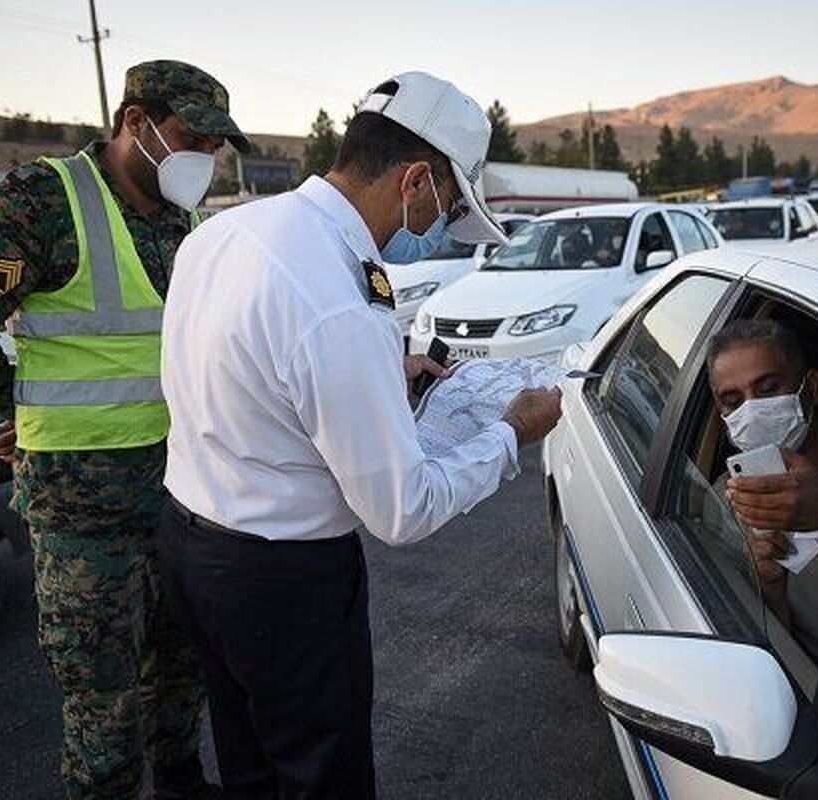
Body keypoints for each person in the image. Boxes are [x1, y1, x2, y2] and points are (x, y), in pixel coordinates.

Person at [156, 70, 562, 798]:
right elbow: (401, 511)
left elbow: (247, 374)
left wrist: (375, 376)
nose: (438, 228)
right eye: (447, 207)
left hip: (194, 545)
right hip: (283, 585)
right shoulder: (339, 299)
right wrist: (510, 432)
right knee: (320, 776)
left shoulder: (230, 230)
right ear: (415, 181)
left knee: (248, 758)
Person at [0, 60, 248, 799]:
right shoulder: (43, 200)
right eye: (192, 136)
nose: (206, 156)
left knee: (183, 664)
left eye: (215, 146)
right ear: (136, 122)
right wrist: (22, 410)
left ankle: (183, 779)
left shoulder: (186, 220)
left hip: (184, 493)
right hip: (83, 512)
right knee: (102, 698)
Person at [706, 319, 818, 651]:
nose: (751, 411)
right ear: (721, 413)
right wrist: (769, 584)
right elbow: (764, 654)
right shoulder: (728, 500)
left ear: (810, 387)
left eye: (768, 389)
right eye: (733, 400)